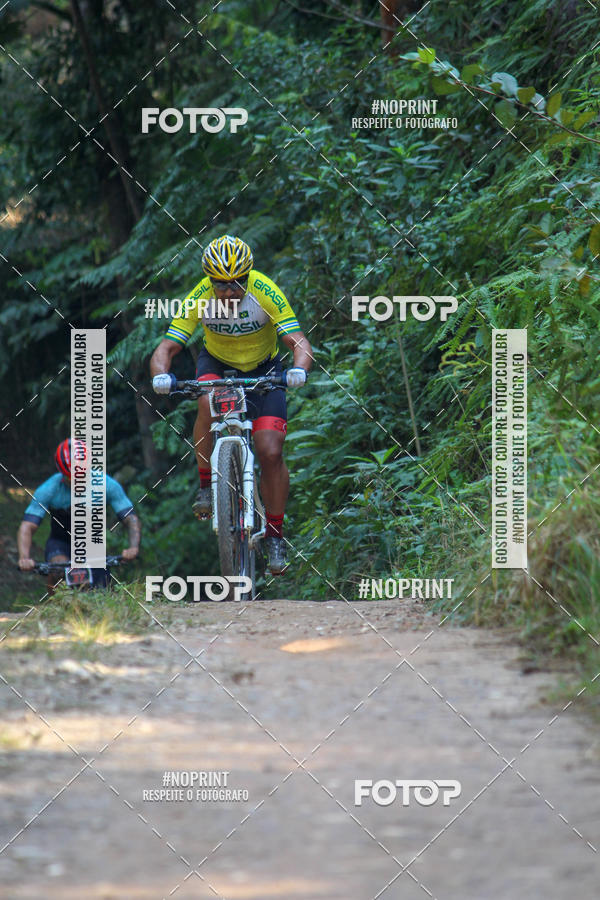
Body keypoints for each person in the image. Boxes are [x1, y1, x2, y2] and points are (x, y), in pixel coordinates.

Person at [150, 233, 312, 575]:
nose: (227, 291)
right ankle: (208, 485)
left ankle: (275, 535)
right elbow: (166, 348)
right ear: (210, 280)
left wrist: (298, 369)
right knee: (206, 403)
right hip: (218, 365)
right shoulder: (200, 297)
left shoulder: (265, 291)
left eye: (236, 284)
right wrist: (161, 375)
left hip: (264, 369)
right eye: (220, 284)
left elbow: (299, 342)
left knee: (270, 451)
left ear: (248, 277)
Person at [17, 438, 141, 590]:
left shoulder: (107, 486)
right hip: (60, 542)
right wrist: (24, 557)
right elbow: (27, 526)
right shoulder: (49, 489)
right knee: (57, 569)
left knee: (101, 589)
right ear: (62, 474)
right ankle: (53, 609)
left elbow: (131, 519)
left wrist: (133, 548)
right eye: (71, 478)